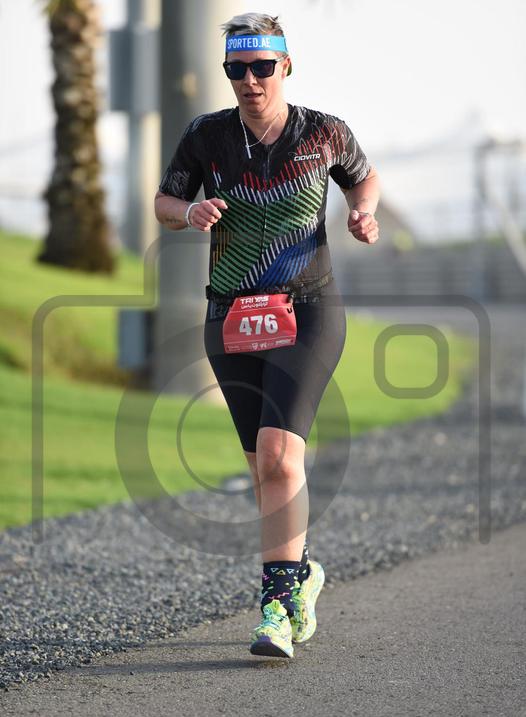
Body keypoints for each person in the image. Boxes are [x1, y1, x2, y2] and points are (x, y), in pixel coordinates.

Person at [154, 12, 380, 659]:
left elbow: (364, 175)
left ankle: (276, 609)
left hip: (306, 309)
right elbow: (164, 204)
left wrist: (362, 210)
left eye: (261, 67)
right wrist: (189, 211)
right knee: (262, 466)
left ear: (285, 66)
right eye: (236, 69)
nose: (249, 80)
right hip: (230, 313)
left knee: (280, 457)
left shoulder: (325, 132)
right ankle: (300, 573)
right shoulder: (206, 136)